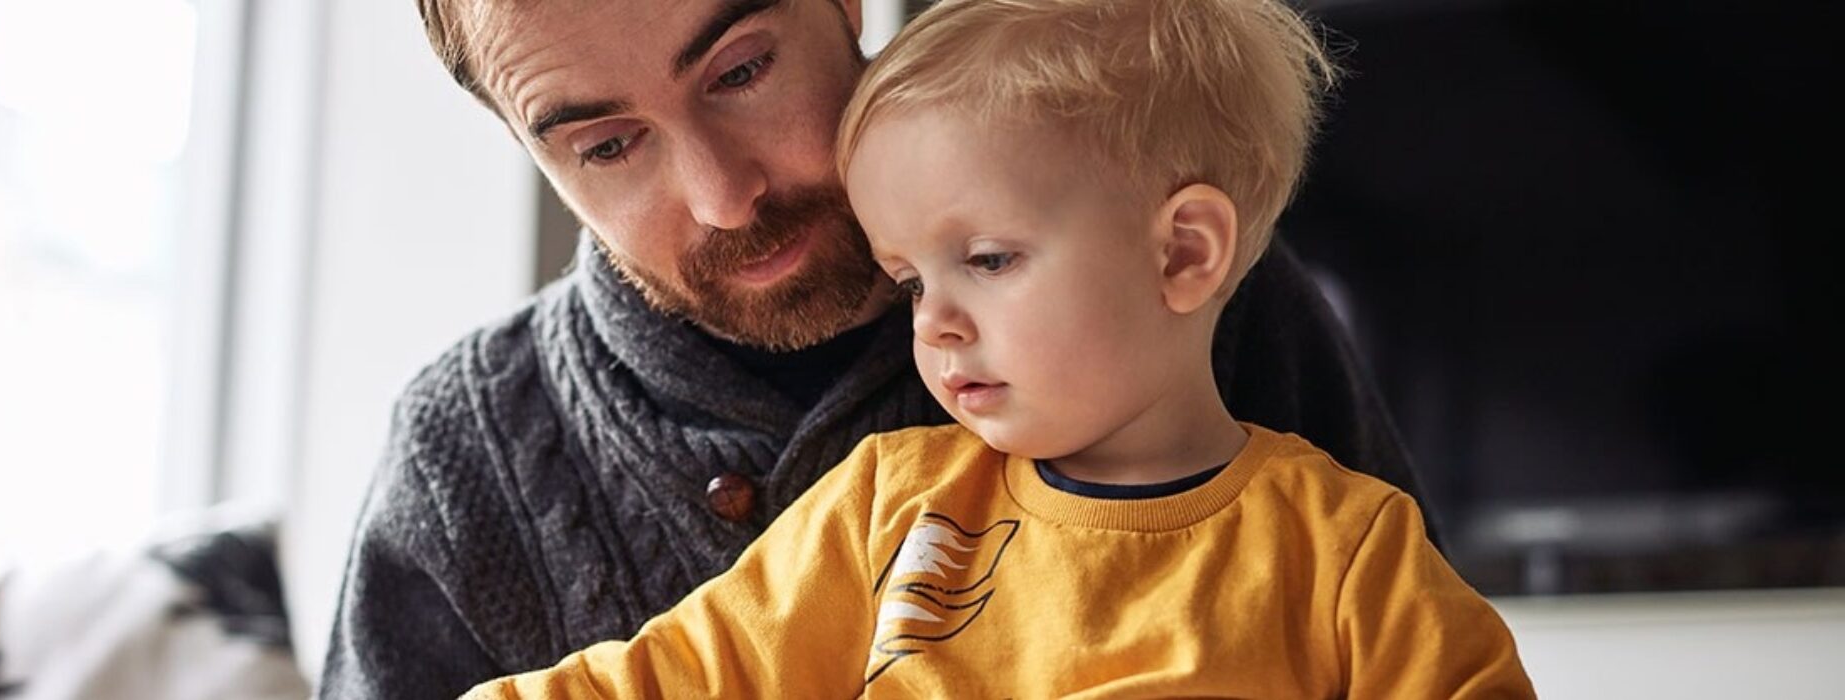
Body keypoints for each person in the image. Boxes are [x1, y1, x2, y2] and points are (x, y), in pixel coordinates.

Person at [321, 0, 1424, 697]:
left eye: (741, 70)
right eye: (608, 145)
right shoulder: (461, 457)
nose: (722, 195)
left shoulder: (1199, 308)